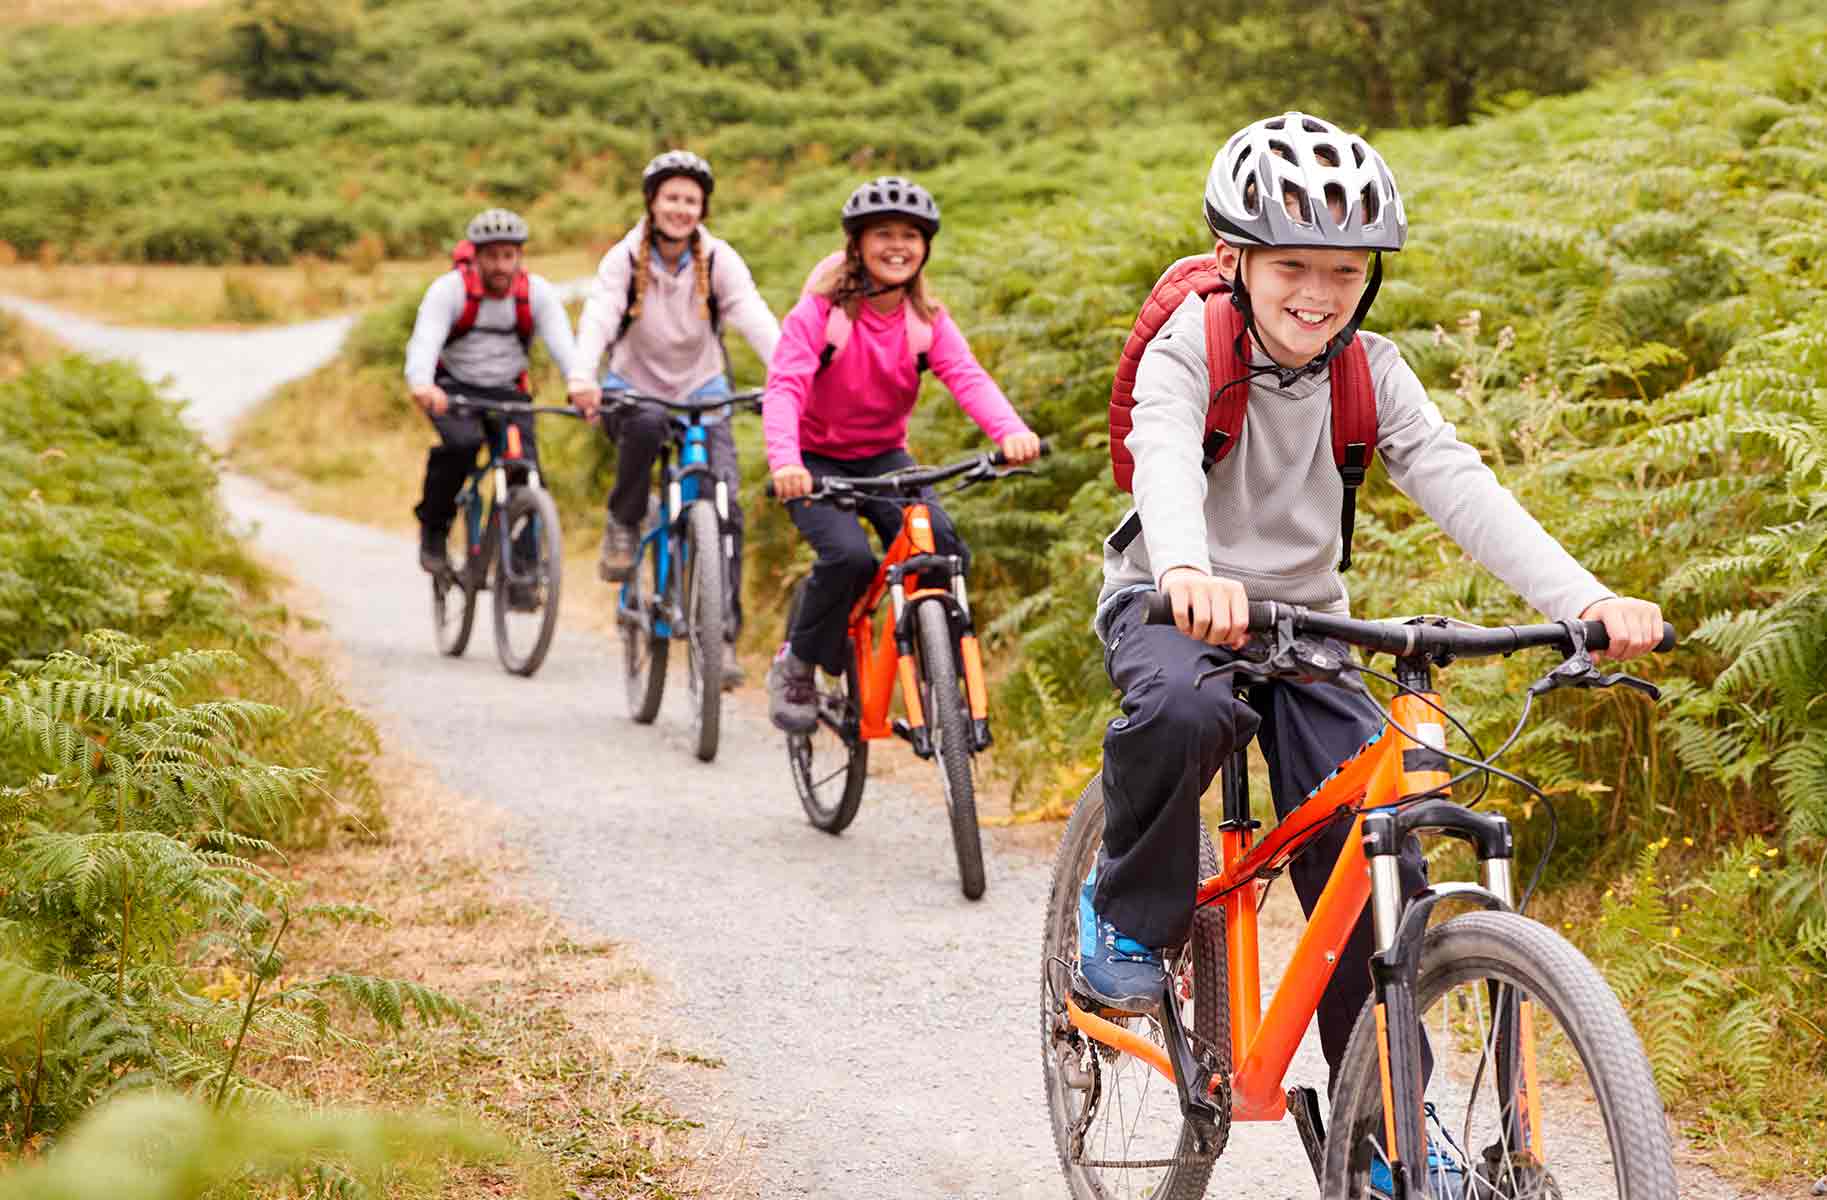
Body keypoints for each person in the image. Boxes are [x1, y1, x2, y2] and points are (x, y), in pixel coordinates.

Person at [1084, 113, 1665, 1192]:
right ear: (1233, 263)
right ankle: (1120, 909)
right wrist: (1184, 567)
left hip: (1309, 629)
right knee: (1185, 712)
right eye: (1292, 266)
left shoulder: (1371, 372)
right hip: (1173, 603)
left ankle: (1389, 1131)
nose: (1318, 292)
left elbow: (1462, 486)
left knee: (1371, 842)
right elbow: (1162, 455)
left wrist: (1585, 598)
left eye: (1344, 271)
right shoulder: (1192, 347)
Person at [762, 175, 1041, 733]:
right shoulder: (821, 314)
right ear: (857, 245)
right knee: (848, 558)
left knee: (940, 544)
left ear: (925, 247)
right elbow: (785, 387)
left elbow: (968, 378)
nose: (898, 246)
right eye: (883, 234)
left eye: (910, 235)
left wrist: (1011, 432)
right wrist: (786, 463)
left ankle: (947, 682)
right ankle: (796, 664)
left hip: (884, 455)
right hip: (814, 461)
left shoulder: (925, 321)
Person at [568, 150, 781, 687]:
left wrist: (788, 375)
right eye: (672, 198)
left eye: (691, 200)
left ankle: (722, 639)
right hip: (633, 385)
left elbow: (752, 314)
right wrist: (581, 376)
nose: (681, 209)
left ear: (702, 207)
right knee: (642, 426)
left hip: (703, 387)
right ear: (652, 203)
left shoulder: (718, 259)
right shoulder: (625, 258)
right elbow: (598, 315)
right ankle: (624, 522)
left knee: (725, 504)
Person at [405, 208, 592, 584]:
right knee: (461, 446)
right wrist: (423, 385)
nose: (500, 265)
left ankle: (522, 572)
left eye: (508, 256)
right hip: (455, 390)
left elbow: (564, 346)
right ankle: (434, 529)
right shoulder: (449, 290)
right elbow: (425, 341)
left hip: (508, 392)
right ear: (474, 257)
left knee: (525, 470)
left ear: (520, 257)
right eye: (491, 256)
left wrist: (580, 383)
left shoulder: (536, 293)